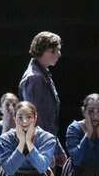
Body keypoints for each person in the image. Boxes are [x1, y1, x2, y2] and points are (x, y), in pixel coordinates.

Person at [18, 31, 67, 168]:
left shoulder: (43, 75)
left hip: (44, 142)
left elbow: (49, 120)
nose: (58, 54)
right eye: (55, 50)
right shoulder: (34, 78)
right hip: (37, 146)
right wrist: (45, 150)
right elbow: (33, 118)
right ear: (44, 50)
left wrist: (56, 146)